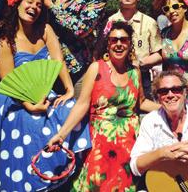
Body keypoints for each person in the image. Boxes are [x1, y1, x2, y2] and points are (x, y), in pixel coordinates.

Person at [48, 21, 161, 191]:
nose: (118, 44)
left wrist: (167, 109)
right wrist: (61, 134)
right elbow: (82, 104)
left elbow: (141, 102)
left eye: (123, 40)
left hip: (128, 145)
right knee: (94, 184)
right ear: (108, 44)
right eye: (114, 40)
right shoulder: (96, 68)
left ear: (130, 44)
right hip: (99, 145)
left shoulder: (134, 71)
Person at [0, 0, 91, 191]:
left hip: (43, 94)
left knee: (70, 109)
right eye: (29, 2)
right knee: (30, 122)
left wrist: (68, 90)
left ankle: (66, 173)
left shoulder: (45, 29)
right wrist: (29, 105)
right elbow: (9, 80)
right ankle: (29, 179)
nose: (34, 8)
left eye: (39, 5)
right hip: (15, 99)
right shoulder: (5, 39)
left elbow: (58, 60)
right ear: (17, 5)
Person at [43, 0, 107, 99]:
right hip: (49, 66)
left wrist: (52, 6)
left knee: (78, 117)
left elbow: (82, 28)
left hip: (77, 70)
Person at [108, 0, 162, 100]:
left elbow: (159, 54)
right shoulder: (109, 22)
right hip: (114, 77)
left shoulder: (150, 23)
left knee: (143, 115)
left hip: (142, 78)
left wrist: (140, 63)